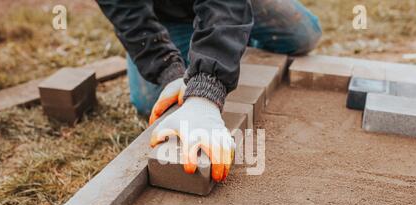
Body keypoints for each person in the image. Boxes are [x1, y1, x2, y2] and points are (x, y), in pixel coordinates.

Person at [97, 0, 322, 182]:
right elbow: (125, 11)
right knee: (151, 102)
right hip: (162, 15)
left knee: (303, 35)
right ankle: (221, 39)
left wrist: (206, 92)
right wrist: (169, 71)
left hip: (230, 4)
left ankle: (234, 32)